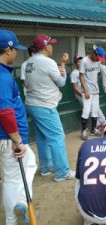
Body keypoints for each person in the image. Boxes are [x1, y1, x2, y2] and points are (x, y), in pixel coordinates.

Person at [25, 34, 75, 182]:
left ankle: (46, 168)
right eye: (50, 44)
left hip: (32, 104)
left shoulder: (29, 62)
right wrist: (63, 68)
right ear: (46, 47)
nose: (52, 46)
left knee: (42, 138)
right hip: (45, 106)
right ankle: (62, 172)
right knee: (57, 137)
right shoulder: (48, 62)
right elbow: (61, 83)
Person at [0, 29, 37, 224]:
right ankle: (13, 218)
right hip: (7, 137)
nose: (17, 53)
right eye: (15, 50)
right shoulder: (3, 76)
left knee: (14, 174)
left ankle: (21, 203)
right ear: (8, 50)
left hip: (5, 136)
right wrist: (17, 141)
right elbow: (4, 112)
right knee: (15, 177)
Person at [70, 56, 106, 134]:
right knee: (88, 110)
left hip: (91, 92)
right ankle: (97, 125)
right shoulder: (74, 73)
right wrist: (82, 94)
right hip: (80, 93)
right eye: (78, 61)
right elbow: (74, 87)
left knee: (95, 109)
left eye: (81, 61)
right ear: (75, 63)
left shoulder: (87, 69)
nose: (80, 62)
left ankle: (102, 124)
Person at [79, 45, 106, 140]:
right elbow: (81, 76)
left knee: (95, 111)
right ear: (94, 54)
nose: (98, 60)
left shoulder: (98, 62)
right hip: (86, 91)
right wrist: (86, 90)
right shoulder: (84, 61)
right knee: (86, 111)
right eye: (98, 57)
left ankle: (93, 129)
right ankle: (83, 131)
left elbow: (96, 76)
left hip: (95, 90)